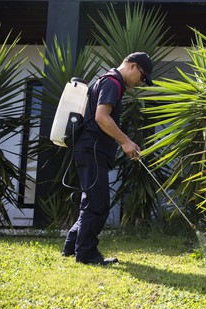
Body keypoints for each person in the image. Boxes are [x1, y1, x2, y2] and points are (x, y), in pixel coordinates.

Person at [62, 52, 154, 265]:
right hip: (92, 150)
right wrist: (125, 141)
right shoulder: (112, 83)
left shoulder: (107, 81)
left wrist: (124, 141)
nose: (141, 83)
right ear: (132, 66)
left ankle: (71, 247)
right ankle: (86, 254)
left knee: (91, 200)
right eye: (142, 77)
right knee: (98, 203)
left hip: (88, 150)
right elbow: (101, 117)